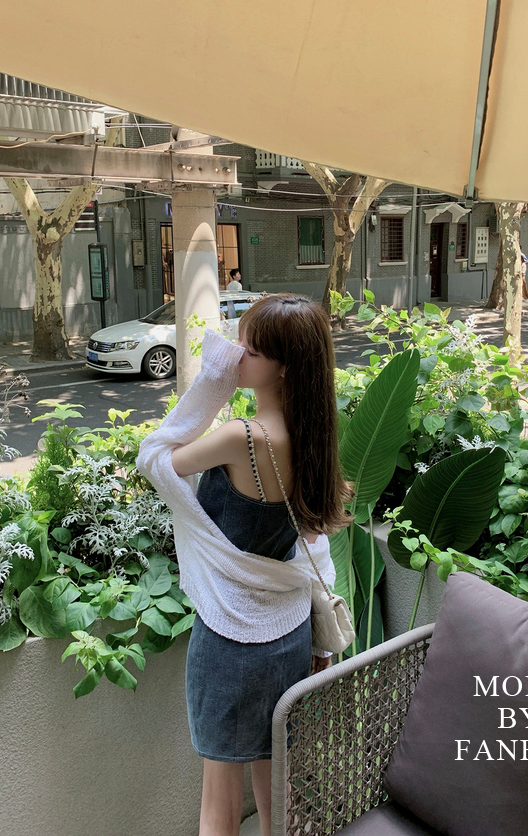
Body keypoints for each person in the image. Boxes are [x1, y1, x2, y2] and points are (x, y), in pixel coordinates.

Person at [137, 294, 351, 836]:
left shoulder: (242, 438)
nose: (235, 355)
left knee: (218, 804)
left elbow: (155, 458)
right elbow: (314, 543)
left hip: (229, 636)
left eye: (249, 350)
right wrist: (322, 645)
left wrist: (213, 383)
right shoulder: (314, 435)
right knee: (277, 789)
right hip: (289, 632)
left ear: (283, 367)